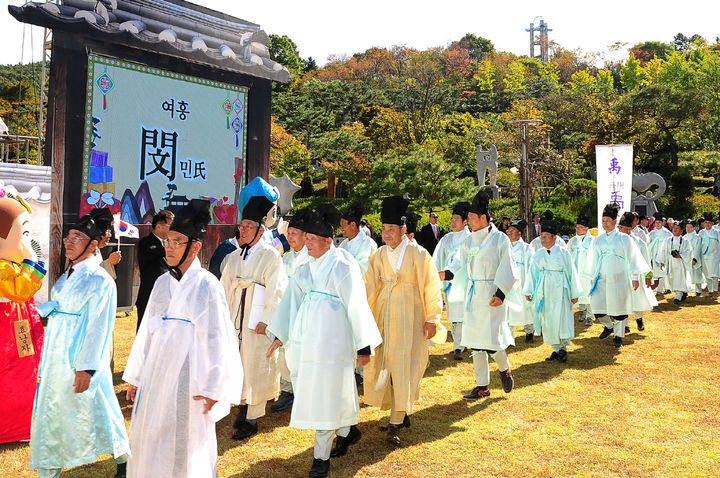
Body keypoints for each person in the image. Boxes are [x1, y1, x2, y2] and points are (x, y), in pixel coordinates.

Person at [124, 200, 243, 478]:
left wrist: (214, 387)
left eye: (178, 242)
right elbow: (147, 333)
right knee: (154, 437)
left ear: (196, 247)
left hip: (190, 380)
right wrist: (137, 376)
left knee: (185, 442)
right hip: (157, 377)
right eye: (169, 241)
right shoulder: (162, 283)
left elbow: (218, 339)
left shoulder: (207, 286)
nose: (170, 247)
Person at [267, 204, 382, 478]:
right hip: (309, 342)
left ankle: (321, 459)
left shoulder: (343, 266)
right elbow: (292, 300)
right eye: (305, 239)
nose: (307, 245)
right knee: (325, 392)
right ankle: (347, 430)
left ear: (328, 241)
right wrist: (280, 333)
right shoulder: (305, 266)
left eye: (312, 240)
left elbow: (357, 305)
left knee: (326, 395)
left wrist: (363, 345)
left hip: (334, 343)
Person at [30, 208, 129, 478]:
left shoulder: (101, 280)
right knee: (52, 407)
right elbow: (63, 306)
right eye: (68, 237)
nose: (69, 242)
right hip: (55, 355)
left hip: (79, 355)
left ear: (93, 244)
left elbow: (100, 327)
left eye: (76, 237)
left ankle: (123, 459)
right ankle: (48, 468)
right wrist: (42, 310)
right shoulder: (67, 275)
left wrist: (86, 367)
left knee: (100, 405)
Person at [363, 196, 443, 446]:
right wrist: (362, 318)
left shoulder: (419, 255)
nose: (387, 235)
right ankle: (399, 409)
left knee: (404, 365)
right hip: (384, 316)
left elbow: (432, 287)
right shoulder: (377, 256)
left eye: (392, 230)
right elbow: (368, 288)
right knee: (385, 364)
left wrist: (432, 317)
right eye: (384, 230)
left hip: (410, 317)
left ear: (403, 231)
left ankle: (395, 421)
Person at [440, 188, 518, 400]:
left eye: (473, 218)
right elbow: (459, 263)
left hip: (493, 295)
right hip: (474, 295)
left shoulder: (500, 239)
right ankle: (482, 385)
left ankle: (505, 369)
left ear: (484, 217)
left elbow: (508, 267)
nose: (470, 222)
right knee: (476, 342)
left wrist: (501, 293)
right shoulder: (469, 241)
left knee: (493, 341)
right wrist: (445, 274)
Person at [220, 195, 288, 440]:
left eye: (249, 226)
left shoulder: (271, 257)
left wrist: (266, 320)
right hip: (235, 317)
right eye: (241, 226)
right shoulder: (234, 257)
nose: (243, 230)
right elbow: (224, 287)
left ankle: (253, 417)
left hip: (255, 320)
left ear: (260, 231)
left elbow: (278, 291)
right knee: (238, 360)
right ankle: (242, 403)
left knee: (256, 364)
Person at [0, 193, 45, 444]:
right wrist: (30, 261)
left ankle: (22, 425)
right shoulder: (3, 268)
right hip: (6, 331)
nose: (29, 242)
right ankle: (10, 428)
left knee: (24, 372)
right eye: (23, 235)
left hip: (17, 327)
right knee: (9, 376)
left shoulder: (10, 266)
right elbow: (19, 291)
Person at [586, 204, 650, 348]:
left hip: (620, 277)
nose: (605, 224)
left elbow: (633, 257)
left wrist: (635, 277)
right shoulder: (598, 240)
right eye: (603, 221)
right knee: (597, 306)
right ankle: (608, 326)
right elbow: (594, 259)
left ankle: (619, 337)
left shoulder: (624, 239)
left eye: (608, 221)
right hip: (602, 278)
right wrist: (592, 276)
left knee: (619, 307)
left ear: (615, 222)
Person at [524, 219, 582, 362]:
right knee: (548, 318)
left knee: (561, 318)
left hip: (561, 289)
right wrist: (529, 290)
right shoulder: (538, 254)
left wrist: (574, 293)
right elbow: (532, 274)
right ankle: (555, 348)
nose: (542, 239)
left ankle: (563, 348)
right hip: (545, 290)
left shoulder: (564, 253)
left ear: (554, 238)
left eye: (546, 236)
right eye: (541, 236)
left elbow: (571, 273)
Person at [272, 207, 312, 413]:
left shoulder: (311, 259)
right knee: (285, 351)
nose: (290, 237)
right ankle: (287, 389)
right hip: (287, 312)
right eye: (288, 234)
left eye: (294, 233)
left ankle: (303, 391)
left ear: (306, 236)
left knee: (302, 351)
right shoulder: (286, 259)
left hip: (305, 314)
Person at [432, 201, 472, 359]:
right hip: (450, 282)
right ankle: (458, 345)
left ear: (465, 221)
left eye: (457, 219)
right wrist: (437, 277)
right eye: (452, 219)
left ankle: (466, 343)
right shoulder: (446, 239)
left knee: (466, 314)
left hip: (465, 281)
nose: (453, 222)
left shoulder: (471, 238)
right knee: (455, 315)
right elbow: (437, 259)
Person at [617, 212, 657, 331]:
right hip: (619, 274)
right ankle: (624, 324)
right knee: (621, 300)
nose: (619, 229)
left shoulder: (638, 242)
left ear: (629, 228)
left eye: (622, 227)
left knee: (637, 298)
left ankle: (639, 318)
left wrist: (648, 275)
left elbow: (645, 258)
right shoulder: (615, 240)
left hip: (635, 274)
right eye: (619, 227)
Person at [135, 210, 174, 330]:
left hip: (166, 296)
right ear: (159, 226)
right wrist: (170, 246)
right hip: (148, 294)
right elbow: (153, 253)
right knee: (144, 331)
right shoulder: (145, 242)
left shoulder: (169, 244)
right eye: (170, 226)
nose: (172, 229)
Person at [504, 219, 536, 343]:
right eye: (508, 231)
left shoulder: (526, 248)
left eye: (512, 231)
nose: (509, 234)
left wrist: (529, 286)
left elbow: (531, 268)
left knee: (526, 308)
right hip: (508, 282)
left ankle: (529, 331)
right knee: (508, 310)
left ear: (519, 233)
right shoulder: (504, 247)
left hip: (522, 281)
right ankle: (509, 337)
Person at [567, 213, 595, 326]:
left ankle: (590, 316)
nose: (578, 229)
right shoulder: (572, 241)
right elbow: (567, 254)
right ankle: (581, 311)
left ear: (587, 229)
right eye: (577, 227)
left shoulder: (593, 240)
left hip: (589, 272)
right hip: (576, 271)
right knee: (578, 291)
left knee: (589, 293)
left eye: (581, 228)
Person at [338, 202, 377, 275]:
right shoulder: (343, 244)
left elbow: (363, 270)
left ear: (353, 225)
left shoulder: (368, 244)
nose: (341, 229)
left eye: (343, 225)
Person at [660, 221, 693, 305]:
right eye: (674, 228)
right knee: (671, 278)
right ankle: (680, 293)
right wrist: (662, 261)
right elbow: (662, 251)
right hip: (670, 262)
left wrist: (680, 255)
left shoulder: (685, 241)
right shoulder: (667, 240)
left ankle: (679, 295)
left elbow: (689, 252)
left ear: (681, 231)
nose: (675, 230)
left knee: (680, 278)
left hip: (680, 263)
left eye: (677, 228)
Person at [648, 212, 672, 295]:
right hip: (654, 253)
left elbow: (670, 243)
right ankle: (667, 288)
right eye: (656, 222)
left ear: (663, 223)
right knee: (657, 272)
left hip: (664, 253)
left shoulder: (667, 233)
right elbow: (648, 243)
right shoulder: (652, 233)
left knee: (663, 271)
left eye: (659, 222)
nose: (657, 224)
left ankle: (659, 290)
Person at [698, 212, 720, 296]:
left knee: (714, 274)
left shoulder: (717, 232)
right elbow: (698, 246)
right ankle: (710, 290)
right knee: (707, 274)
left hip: (715, 256)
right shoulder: (701, 233)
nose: (707, 224)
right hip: (704, 257)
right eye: (705, 222)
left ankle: (715, 290)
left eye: (709, 223)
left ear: (712, 223)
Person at [684, 219, 704, 296]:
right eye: (687, 227)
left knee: (697, 275)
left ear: (694, 228)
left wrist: (695, 258)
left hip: (695, 259)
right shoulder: (684, 237)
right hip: (686, 259)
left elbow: (697, 248)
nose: (688, 229)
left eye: (690, 227)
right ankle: (685, 290)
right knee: (686, 275)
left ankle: (698, 291)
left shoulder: (697, 237)